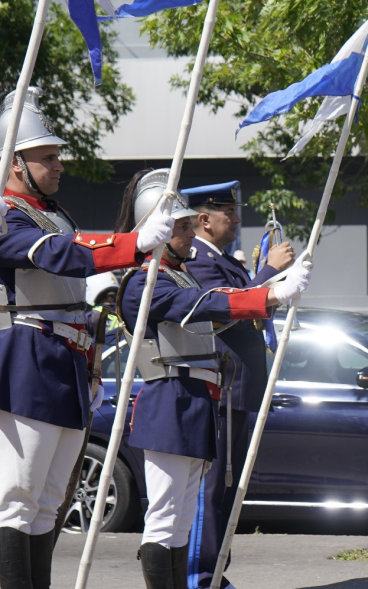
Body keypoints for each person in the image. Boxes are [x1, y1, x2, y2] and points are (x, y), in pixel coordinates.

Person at [0, 87, 175, 589]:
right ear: (16, 162)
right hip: (28, 359)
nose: (59, 165)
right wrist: (130, 243)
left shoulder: (53, 211)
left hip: (66, 363)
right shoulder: (8, 213)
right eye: (47, 157)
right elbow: (57, 253)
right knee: (19, 497)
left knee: (51, 499)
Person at [115, 170, 311, 588]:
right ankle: (199, 580)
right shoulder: (144, 281)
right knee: (167, 519)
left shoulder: (178, 272)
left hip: (195, 403)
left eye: (188, 224)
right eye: (180, 226)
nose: (188, 233)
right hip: (170, 405)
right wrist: (270, 290)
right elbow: (204, 302)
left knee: (182, 520)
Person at [177, 181, 294, 589]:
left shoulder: (223, 258)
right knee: (213, 490)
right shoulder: (198, 259)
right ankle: (198, 577)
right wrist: (268, 273)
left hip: (241, 388)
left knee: (228, 491)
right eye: (229, 213)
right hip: (224, 387)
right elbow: (225, 305)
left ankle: (213, 572)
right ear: (204, 220)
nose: (238, 219)